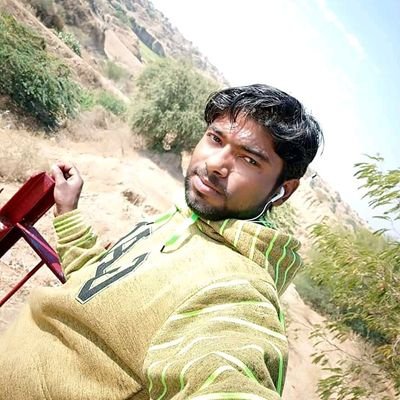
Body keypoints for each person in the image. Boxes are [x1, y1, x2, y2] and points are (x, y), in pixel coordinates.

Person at [0, 84, 323, 400]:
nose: (215, 164)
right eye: (215, 139)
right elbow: (93, 285)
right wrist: (68, 212)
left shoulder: (238, 289)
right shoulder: (183, 220)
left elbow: (228, 372)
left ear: (283, 191)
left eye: (249, 160)